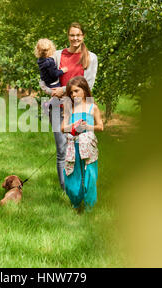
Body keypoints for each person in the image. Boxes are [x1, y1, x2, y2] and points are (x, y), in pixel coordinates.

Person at [39, 22, 98, 190]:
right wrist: (51, 93)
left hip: (80, 108)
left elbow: (88, 85)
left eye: (78, 35)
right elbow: (44, 78)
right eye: (72, 35)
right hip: (58, 107)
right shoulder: (58, 55)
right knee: (62, 150)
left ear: (83, 36)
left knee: (82, 148)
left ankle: (81, 186)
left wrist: (64, 90)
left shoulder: (91, 57)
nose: (75, 38)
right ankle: (66, 190)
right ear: (68, 36)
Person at [61, 77, 103, 212]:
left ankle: (90, 206)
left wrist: (87, 126)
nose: (73, 95)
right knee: (72, 174)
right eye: (71, 93)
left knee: (89, 175)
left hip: (88, 147)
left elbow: (100, 126)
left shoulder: (92, 107)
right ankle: (76, 203)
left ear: (84, 90)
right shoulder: (70, 108)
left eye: (76, 91)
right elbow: (63, 128)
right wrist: (73, 126)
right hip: (73, 147)